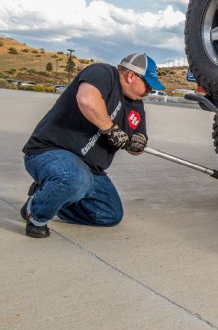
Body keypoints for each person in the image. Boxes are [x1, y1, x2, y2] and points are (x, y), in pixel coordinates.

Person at [21, 53, 165, 238]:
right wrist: (110, 129)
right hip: (50, 152)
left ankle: (47, 198)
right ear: (131, 76)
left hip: (90, 169)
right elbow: (87, 100)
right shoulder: (103, 73)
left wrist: (137, 144)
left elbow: (134, 143)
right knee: (73, 179)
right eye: (148, 84)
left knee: (109, 214)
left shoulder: (136, 106)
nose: (149, 91)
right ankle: (36, 215)